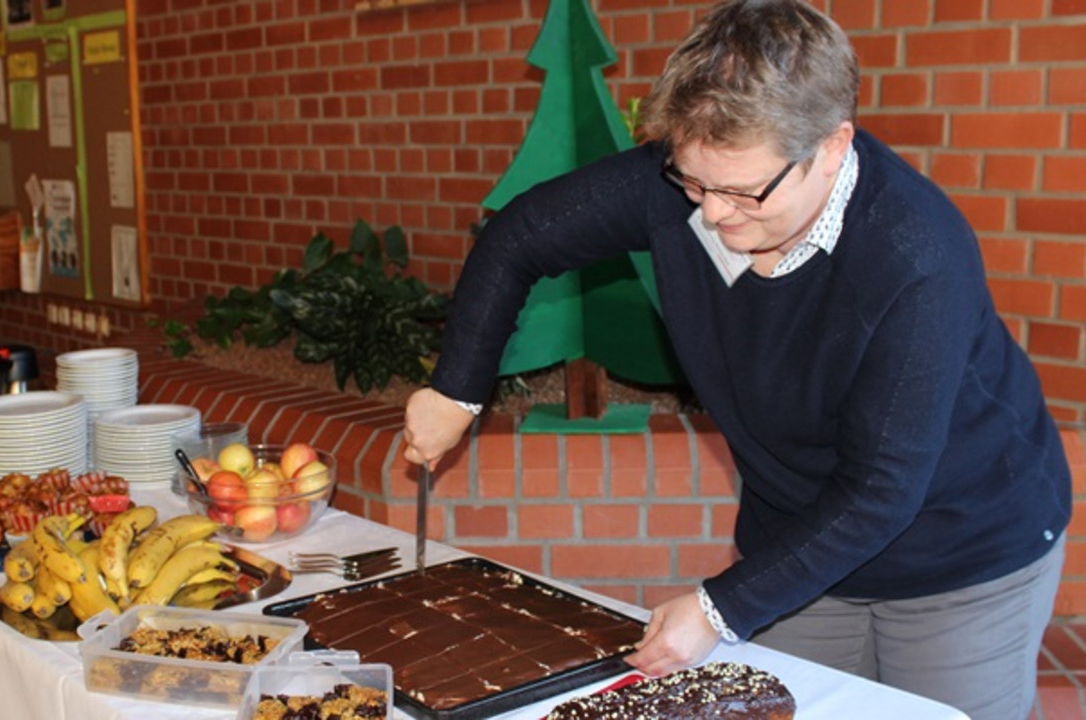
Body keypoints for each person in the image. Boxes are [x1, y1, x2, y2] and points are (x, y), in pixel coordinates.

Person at [401, 1, 1071, 718]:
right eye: (694, 180)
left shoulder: (915, 255)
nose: (713, 214)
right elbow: (522, 236)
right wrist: (456, 392)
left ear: (833, 147)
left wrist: (719, 609)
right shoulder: (689, 187)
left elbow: (882, 488)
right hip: (801, 543)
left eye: (743, 191)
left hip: (962, 552)